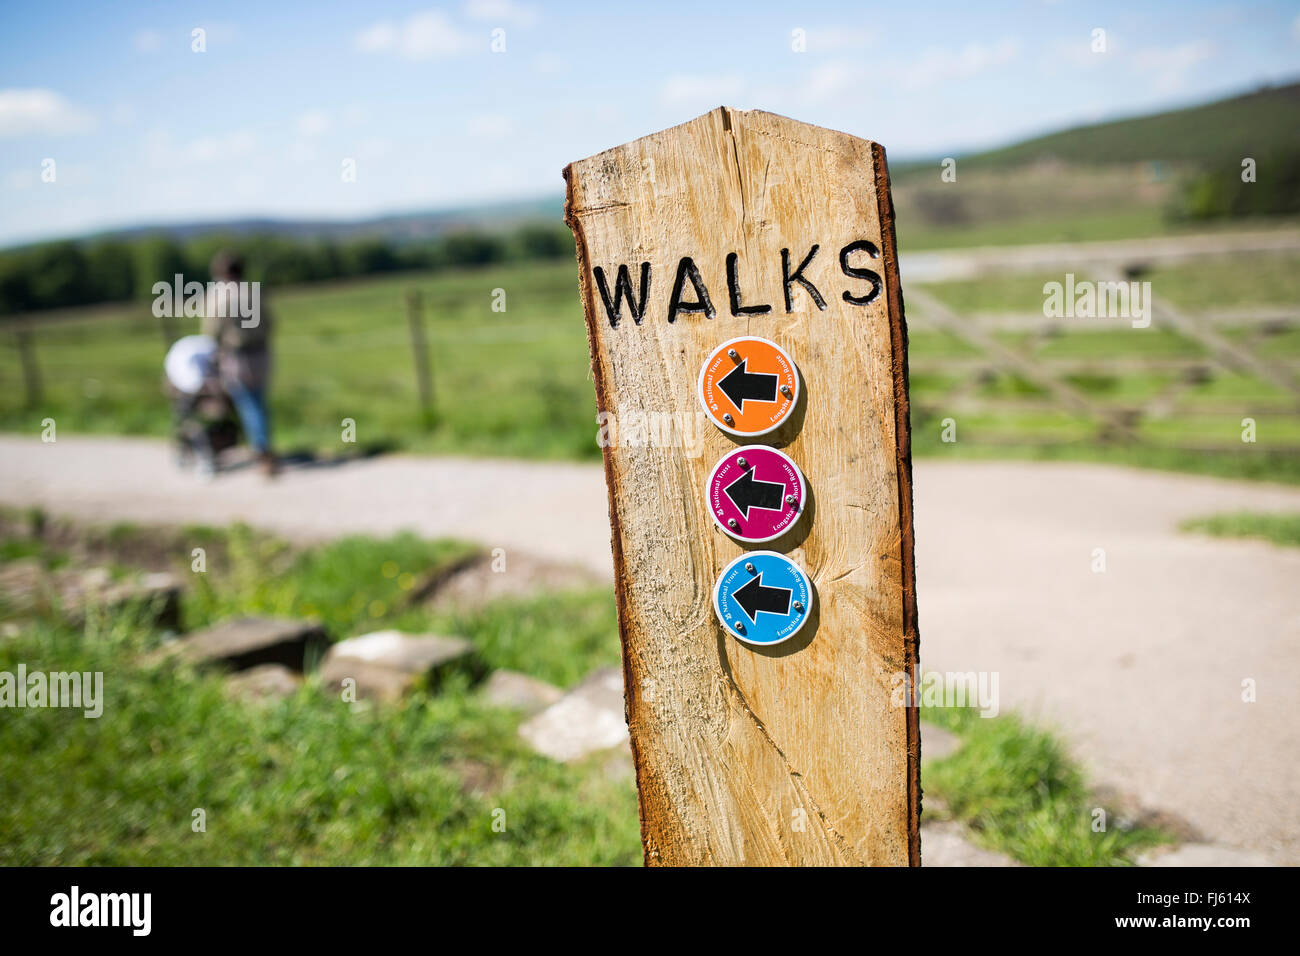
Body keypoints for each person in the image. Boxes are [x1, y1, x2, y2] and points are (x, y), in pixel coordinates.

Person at [202, 250, 277, 476]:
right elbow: (271, 323)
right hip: (261, 354)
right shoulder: (254, 292)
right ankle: (261, 445)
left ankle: (262, 451)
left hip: (236, 357)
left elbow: (211, 331)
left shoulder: (219, 296)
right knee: (258, 402)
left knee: (248, 404)